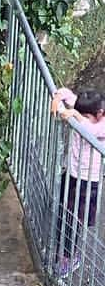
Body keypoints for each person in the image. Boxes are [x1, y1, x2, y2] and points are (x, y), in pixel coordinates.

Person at [49, 87, 105, 276]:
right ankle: (62, 253)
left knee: (75, 221)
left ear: (99, 113)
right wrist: (57, 98)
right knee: (63, 214)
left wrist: (74, 116)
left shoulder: (101, 124)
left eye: (86, 116)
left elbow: (91, 129)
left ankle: (69, 258)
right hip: (72, 174)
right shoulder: (85, 110)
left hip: (88, 182)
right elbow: (67, 93)